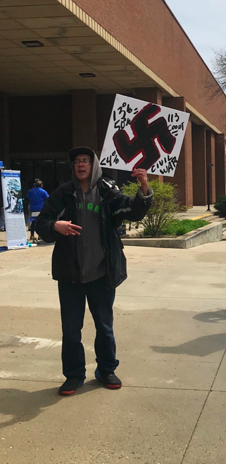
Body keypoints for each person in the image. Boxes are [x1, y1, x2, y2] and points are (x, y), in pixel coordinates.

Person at [36, 146, 153, 396]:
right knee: (70, 329)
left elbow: (133, 210)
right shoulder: (64, 193)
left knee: (104, 326)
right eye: (77, 161)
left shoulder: (107, 190)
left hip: (102, 273)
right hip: (70, 275)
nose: (81, 165)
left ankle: (106, 370)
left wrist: (143, 186)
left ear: (94, 164)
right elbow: (41, 222)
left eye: (86, 161)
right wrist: (55, 225)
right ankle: (74, 375)